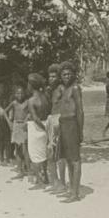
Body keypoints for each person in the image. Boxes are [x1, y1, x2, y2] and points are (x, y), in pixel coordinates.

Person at [58, 61, 84, 202]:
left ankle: (75, 193)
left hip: (72, 124)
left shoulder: (75, 88)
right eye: (63, 74)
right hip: (63, 124)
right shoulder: (63, 89)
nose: (66, 76)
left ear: (73, 74)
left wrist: (80, 131)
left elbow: (80, 110)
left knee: (75, 159)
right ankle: (72, 190)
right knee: (67, 158)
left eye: (68, 74)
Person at [26, 73, 50, 189]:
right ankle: (45, 175)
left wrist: (42, 127)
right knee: (43, 153)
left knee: (34, 155)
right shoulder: (45, 96)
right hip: (45, 124)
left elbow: (35, 118)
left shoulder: (31, 100)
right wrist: (47, 129)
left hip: (36, 129)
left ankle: (38, 180)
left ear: (31, 85)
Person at [45, 63, 66, 192]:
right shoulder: (51, 90)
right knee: (50, 153)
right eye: (50, 76)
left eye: (54, 76)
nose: (51, 79)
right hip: (52, 120)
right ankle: (55, 181)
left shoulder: (62, 89)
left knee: (60, 155)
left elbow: (65, 107)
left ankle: (62, 183)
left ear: (58, 77)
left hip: (59, 121)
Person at [6, 85, 30, 177]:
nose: (20, 95)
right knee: (17, 149)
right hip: (16, 125)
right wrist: (9, 122)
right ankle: (20, 170)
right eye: (18, 93)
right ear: (15, 94)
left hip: (24, 126)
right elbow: (5, 111)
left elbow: (30, 112)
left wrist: (26, 120)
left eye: (21, 93)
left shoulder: (27, 102)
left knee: (25, 149)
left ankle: (28, 170)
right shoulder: (14, 103)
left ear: (24, 94)